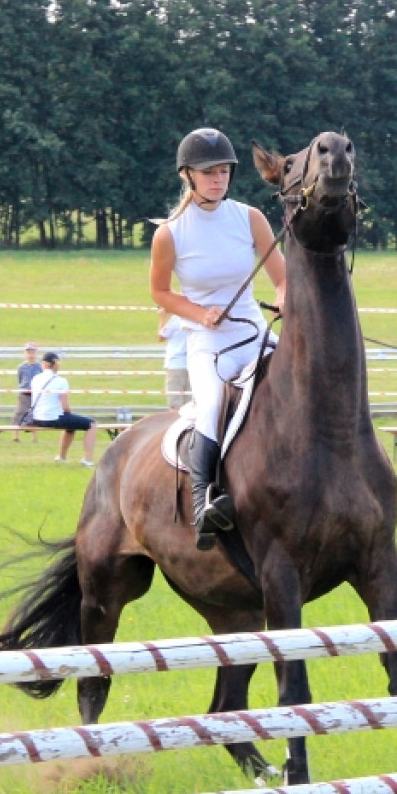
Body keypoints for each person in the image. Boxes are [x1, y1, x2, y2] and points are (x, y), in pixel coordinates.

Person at [149, 127, 286, 550]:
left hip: (255, 335)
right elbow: (160, 293)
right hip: (208, 345)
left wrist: (285, 299)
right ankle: (203, 504)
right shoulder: (170, 233)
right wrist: (199, 313)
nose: (218, 179)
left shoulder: (250, 218)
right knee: (210, 407)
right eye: (209, 172)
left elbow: (283, 278)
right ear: (188, 175)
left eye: (224, 171)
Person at [31, 352, 97, 466]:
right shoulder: (61, 381)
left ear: (44, 364)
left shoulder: (35, 379)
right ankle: (88, 459)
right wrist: (70, 414)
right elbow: (65, 407)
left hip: (37, 418)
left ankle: (61, 457)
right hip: (52, 418)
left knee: (70, 426)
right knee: (92, 424)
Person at [158, 308, 191, 409]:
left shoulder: (176, 319)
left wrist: (162, 317)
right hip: (191, 364)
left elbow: (161, 336)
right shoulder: (193, 319)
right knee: (189, 403)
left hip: (176, 364)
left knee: (175, 403)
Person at [12, 342, 42, 442]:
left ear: (36, 353)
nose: (30, 355)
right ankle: (15, 436)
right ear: (25, 354)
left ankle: (34, 437)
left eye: (33, 352)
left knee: (34, 414)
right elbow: (20, 379)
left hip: (35, 394)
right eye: (28, 352)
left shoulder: (39, 367)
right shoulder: (21, 367)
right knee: (19, 413)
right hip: (24, 393)